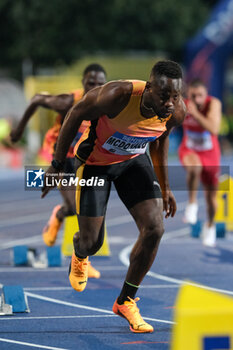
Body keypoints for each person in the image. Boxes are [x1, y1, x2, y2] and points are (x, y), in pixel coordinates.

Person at [42, 60, 185, 333]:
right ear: (149, 89)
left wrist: (165, 187)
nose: (170, 103)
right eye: (165, 96)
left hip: (133, 163)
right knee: (92, 242)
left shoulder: (176, 112)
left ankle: (126, 301)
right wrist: (57, 165)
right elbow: (74, 114)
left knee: (155, 229)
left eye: (176, 96)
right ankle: (80, 251)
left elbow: (160, 140)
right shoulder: (117, 96)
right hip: (97, 164)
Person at [10, 63, 107, 277]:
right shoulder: (68, 102)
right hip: (62, 160)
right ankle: (81, 259)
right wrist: (18, 130)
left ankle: (62, 218)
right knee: (77, 207)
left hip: (86, 162)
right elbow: (36, 99)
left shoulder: (107, 105)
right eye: (91, 83)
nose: (95, 87)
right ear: (83, 82)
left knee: (87, 210)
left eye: (100, 84)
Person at [179, 79, 222, 247]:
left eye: (200, 96)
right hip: (189, 150)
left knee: (211, 198)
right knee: (194, 168)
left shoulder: (213, 104)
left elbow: (214, 129)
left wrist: (195, 114)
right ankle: (192, 204)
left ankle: (210, 225)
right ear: (188, 94)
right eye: (193, 95)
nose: (196, 99)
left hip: (210, 154)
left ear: (206, 94)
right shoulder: (182, 104)